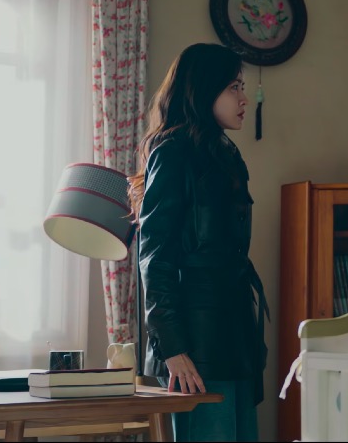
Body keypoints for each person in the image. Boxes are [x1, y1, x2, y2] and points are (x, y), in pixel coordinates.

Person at [128, 43, 269, 442]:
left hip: (233, 334)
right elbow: (154, 256)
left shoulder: (224, 153)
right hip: (193, 343)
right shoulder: (173, 152)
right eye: (234, 88)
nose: (243, 99)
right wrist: (172, 347)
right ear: (204, 90)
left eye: (242, 88)